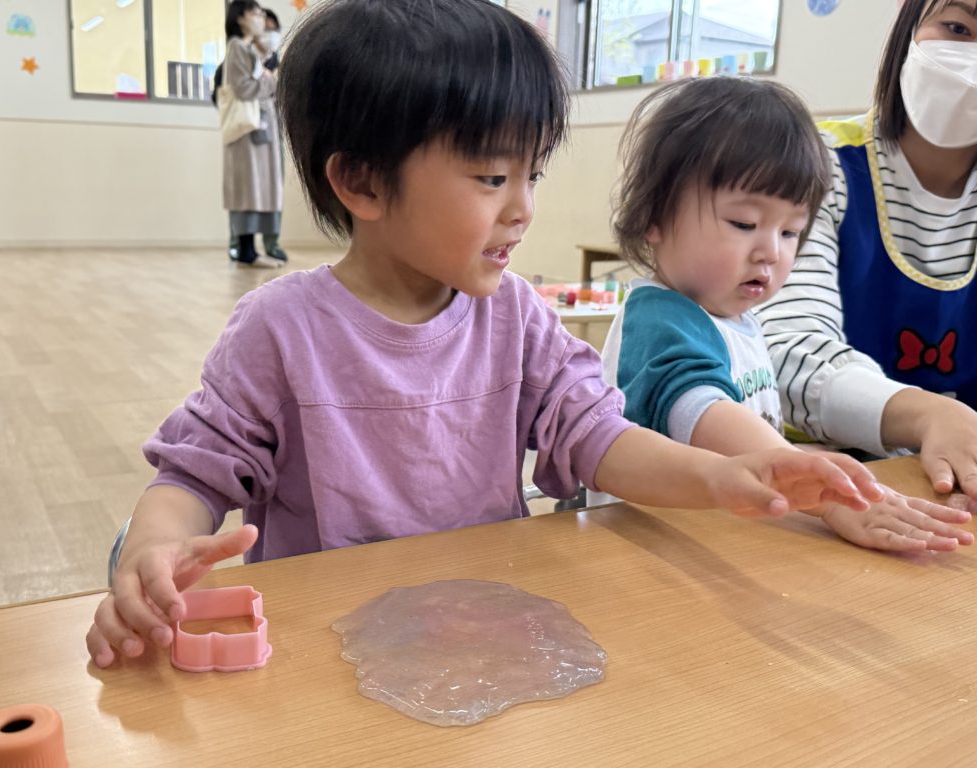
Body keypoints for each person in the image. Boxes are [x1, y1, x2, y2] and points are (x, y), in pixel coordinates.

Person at [86, 0, 886, 668]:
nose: (523, 208)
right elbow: (194, 477)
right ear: (361, 181)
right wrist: (154, 549)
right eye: (493, 177)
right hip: (325, 644)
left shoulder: (515, 316)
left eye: (531, 175)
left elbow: (598, 437)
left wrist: (725, 475)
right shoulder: (279, 331)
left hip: (482, 631)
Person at [595, 76, 972, 552]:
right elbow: (699, 408)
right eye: (744, 223)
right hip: (649, 552)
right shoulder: (660, 317)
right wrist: (814, 487)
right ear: (655, 216)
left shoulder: (737, 319)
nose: (771, 252)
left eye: (791, 232)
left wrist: (801, 457)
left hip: (716, 538)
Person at [756, 0, 977, 498]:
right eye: (958, 28)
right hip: (812, 479)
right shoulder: (817, 165)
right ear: (908, 28)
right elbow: (782, 352)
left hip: (949, 488)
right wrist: (928, 415)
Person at [221, 1, 284, 268]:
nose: (260, 18)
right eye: (255, 13)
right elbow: (244, 88)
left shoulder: (248, 49)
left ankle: (252, 251)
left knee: (258, 188)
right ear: (240, 18)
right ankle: (247, 252)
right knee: (248, 188)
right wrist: (270, 80)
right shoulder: (237, 47)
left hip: (259, 128)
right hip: (246, 131)